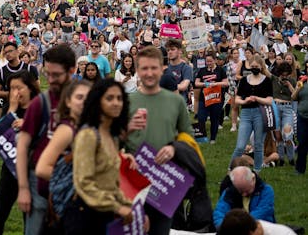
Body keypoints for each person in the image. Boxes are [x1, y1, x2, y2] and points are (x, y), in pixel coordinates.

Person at [126, 46, 194, 235]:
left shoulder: (176, 101)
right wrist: (127, 128)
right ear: (137, 70)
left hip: (164, 178)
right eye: (144, 68)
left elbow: (188, 136)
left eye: (153, 68)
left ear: (162, 68)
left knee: (160, 230)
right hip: (132, 178)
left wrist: (174, 149)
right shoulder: (127, 102)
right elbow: (111, 140)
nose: (149, 73)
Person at [64, 78, 137, 234]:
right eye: (109, 98)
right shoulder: (88, 135)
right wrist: (118, 207)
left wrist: (131, 207)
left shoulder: (111, 136)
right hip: (85, 217)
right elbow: (84, 183)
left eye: (119, 98)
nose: (116, 103)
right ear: (98, 102)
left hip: (106, 214)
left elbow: (110, 183)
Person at [16, 45, 73, 235]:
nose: (50, 80)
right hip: (40, 185)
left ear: (71, 70)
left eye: (56, 75)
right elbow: (22, 146)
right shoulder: (41, 102)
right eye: (47, 74)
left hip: (74, 187)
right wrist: (23, 188)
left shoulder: (83, 99)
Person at [0, 70, 42, 235]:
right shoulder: (9, 109)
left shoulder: (39, 107)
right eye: (12, 88)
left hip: (32, 169)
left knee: (29, 216)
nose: (16, 92)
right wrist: (11, 108)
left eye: (20, 87)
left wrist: (27, 124)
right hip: (11, 168)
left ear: (30, 88)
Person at [231, 54, 273, 172]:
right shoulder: (244, 81)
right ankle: (231, 170)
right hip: (246, 113)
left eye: (256, 66)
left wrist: (257, 99)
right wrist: (245, 100)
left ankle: (257, 171)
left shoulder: (267, 81)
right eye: (252, 66)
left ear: (261, 66)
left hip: (261, 113)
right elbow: (237, 100)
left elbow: (270, 100)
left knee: (258, 145)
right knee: (240, 146)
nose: (254, 68)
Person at [194, 51, 227, 144]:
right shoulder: (202, 70)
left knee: (214, 118)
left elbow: (226, 83)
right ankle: (201, 137)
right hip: (204, 97)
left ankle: (213, 138)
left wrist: (216, 84)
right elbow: (196, 83)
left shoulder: (220, 70)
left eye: (210, 61)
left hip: (216, 98)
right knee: (201, 117)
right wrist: (205, 84)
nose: (208, 63)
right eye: (207, 61)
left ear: (215, 60)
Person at [270, 62, 296, 166]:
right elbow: (265, 72)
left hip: (287, 108)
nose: (284, 77)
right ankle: (280, 159)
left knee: (288, 134)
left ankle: (291, 158)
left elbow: (295, 95)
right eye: (282, 75)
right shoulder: (274, 79)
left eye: (286, 75)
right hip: (275, 107)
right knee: (278, 136)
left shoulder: (292, 81)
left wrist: (289, 85)